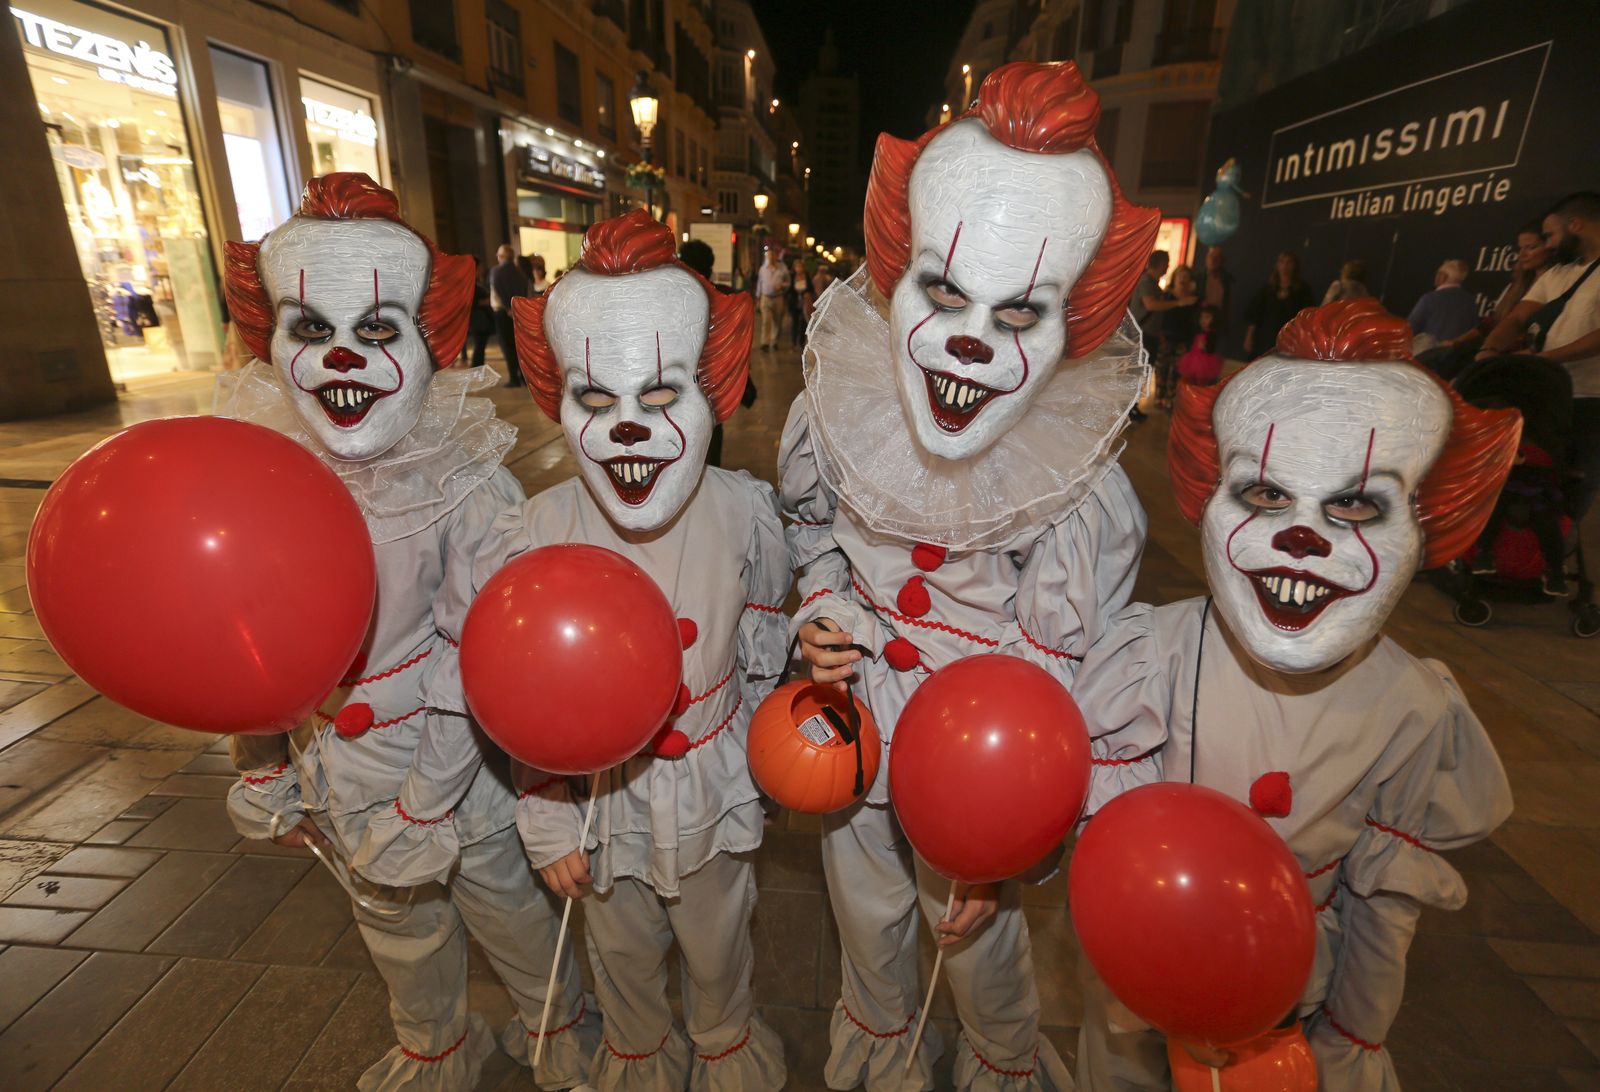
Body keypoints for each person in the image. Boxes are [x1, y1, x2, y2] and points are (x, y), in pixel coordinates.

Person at [784, 60, 1158, 1090]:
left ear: (1068, 325)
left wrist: (1006, 836)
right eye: (943, 292)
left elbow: (1056, 680)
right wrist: (819, 608)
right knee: (865, 918)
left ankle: (997, 1065)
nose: (967, 342)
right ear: (895, 276)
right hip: (853, 716)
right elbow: (811, 531)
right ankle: (879, 1058)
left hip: (985, 759)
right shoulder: (837, 417)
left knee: (982, 946)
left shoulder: (1074, 492)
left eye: (1018, 313)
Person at [1076, 300, 1517, 1091]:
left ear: (1428, 523)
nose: (1303, 538)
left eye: (1355, 503)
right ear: (1208, 495)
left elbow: (1386, 910)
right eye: (1266, 496)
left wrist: (1354, 1037)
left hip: (1289, 1004)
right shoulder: (1150, 656)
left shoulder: (1414, 706)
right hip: (1139, 985)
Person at [217, 173, 598, 1091]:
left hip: (456, 767)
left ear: (427, 341)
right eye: (311, 330)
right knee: (391, 923)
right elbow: (231, 638)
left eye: (377, 332)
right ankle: (435, 1043)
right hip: (337, 769)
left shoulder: (467, 487)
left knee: (508, 908)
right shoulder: (254, 481)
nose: (342, 359)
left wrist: (426, 803)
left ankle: (566, 1033)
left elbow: (483, 658)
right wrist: (261, 759)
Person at [496, 210, 789, 1089]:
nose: (628, 426)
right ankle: (637, 1054)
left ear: (712, 393)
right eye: (596, 399)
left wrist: (764, 759)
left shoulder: (742, 510)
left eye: (660, 397)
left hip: (712, 780)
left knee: (717, 939)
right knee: (618, 946)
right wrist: (546, 815)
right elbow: (523, 698)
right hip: (599, 799)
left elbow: (766, 638)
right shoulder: (540, 528)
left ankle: (724, 1038)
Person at [1475, 191, 1600, 518]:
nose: (1547, 245)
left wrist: (1545, 360)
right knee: (1525, 477)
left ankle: (1557, 554)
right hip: (1547, 394)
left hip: (1592, 398)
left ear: (1576, 224)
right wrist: (1490, 348)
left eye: (1549, 236)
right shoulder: (1556, 275)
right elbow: (1517, 317)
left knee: (1577, 482)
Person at [681, 238, 758, 469]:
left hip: (680, 386)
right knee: (712, 442)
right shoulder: (726, 299)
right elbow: (737, 346)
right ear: (711, 268)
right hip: (712, 388)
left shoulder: (671, 299)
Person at [1244, 250, 1315, 359]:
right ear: (1277, 265)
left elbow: (1307, 319)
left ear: (1295, 266)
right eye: (1282, 262)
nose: (1285, 266)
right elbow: (1255, 314)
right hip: (1265, 338)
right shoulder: (1268, 289)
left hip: (1289, 340)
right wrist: (1249, 337)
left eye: (1289, 263)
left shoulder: (1302, 291)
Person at [1406, 259, 1479, 351]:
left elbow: (1409, 329)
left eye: (1438, 273)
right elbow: (1475, 332)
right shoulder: (1470, 301)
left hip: (1429, 357)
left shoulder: (1429, 299)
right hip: (1458, 358)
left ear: (1442, 277)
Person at [1156, 264, 1199, 407]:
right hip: (1166, 337)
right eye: (1180, 276)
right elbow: (1159, 316)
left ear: (1190, 281)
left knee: (1176, 369)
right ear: (1175, 277)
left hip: (1183, 339)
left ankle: (1170, 397)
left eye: (1186, 277)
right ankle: (1159, 397)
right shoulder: (1166, 295)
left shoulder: (1193, 300)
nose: (1183, 279)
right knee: (1162, 367)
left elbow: (1194, 321)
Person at [490, 243, 531, 387]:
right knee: (517, 345)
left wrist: (508, 306)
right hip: (517, 311)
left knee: (506, 345)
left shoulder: (497, 271)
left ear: (502, 257)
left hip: (503, 311)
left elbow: (498, 289)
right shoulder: (519, 272)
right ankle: (522, 376)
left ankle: (514, 378)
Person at [1175, 303, 1223, 385]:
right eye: (1201, 317)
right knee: (1191, 380)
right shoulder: (1199, 332)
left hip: (1204, 361)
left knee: (1201, 381)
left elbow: (1211, 349)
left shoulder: (1212, 334)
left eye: (1207, 317)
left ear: (1214, 319)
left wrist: (1205, 347)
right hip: (1193, 358)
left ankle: (1199, 394)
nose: (1203, 320)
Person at [755, 247, 791, 350]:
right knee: (766, 320)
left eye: (772, 255)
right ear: (766, 257)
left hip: (778, 298)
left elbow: (788, 282)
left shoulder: (782, 268)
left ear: (776, 256)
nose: (770, 257)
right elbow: (759, 283)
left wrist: (782, 286)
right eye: (768, 256)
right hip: (765, 297)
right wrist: (757, 297)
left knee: (777, 321)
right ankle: (764, 342)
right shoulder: (762, 269)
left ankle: (774, 341)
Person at [1192, 244, 1234, 334]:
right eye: (1211, 256)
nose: (1213, 260)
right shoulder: (1198, 277)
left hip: (1218, 323)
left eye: (1217, 257)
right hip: (1200, 323)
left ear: (1221, 260)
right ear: (1206, 258)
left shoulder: (1226, 279)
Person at [461, 256, 493, 368]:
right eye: (478, 267)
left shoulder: (475, 281)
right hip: (477, 319)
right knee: (479, 345)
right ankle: (476, 369)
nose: (480, 270)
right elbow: (471, 301)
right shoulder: (469, 283)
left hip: (481, 318)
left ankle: (479, 368)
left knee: (480, 345)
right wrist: (485, 301)